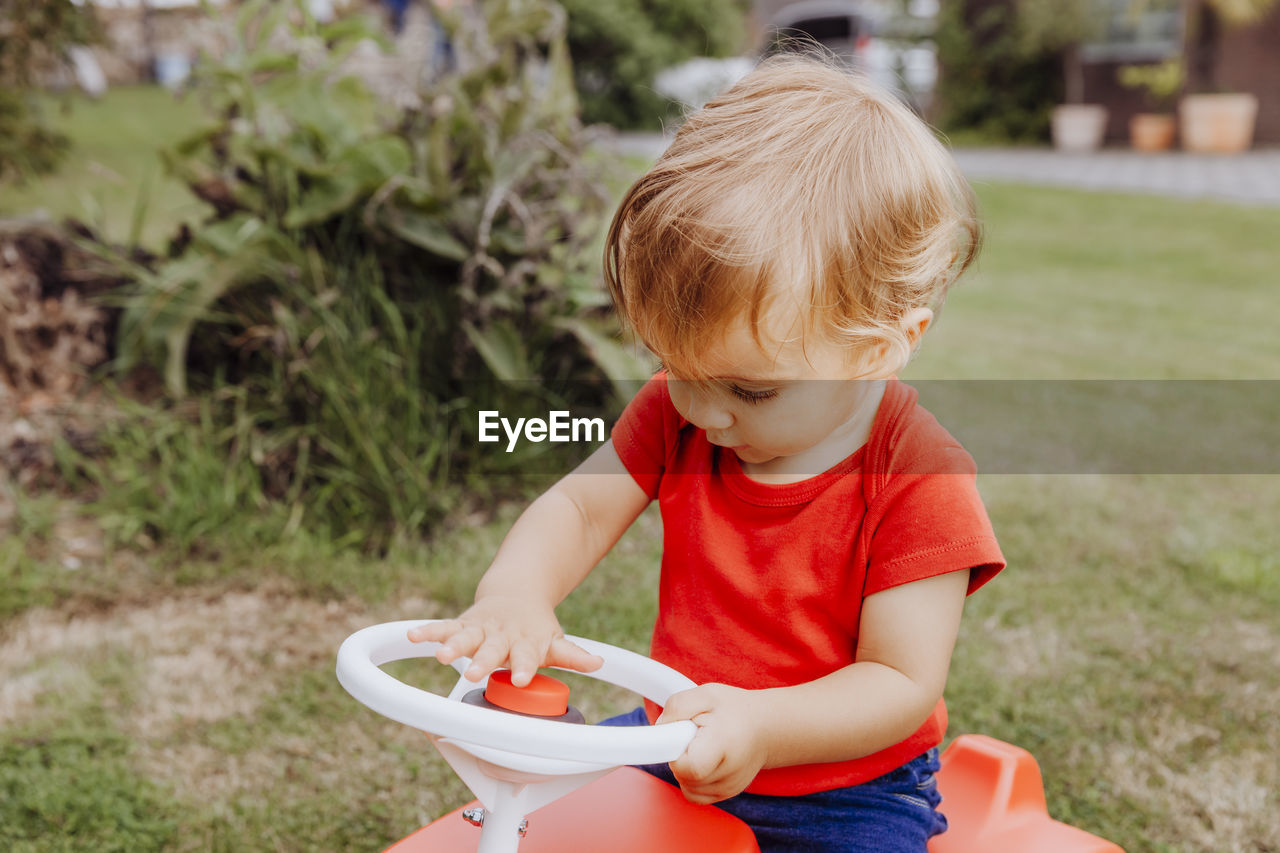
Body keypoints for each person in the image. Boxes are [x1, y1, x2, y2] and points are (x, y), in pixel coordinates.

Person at [409, 53, 1005, 853]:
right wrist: (516, 592)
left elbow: (900, 682)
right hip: (671, 740)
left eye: (749, 389)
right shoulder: (679, 410)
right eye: (672, 364)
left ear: (885, 347)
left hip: (844, 787)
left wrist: (763, 722)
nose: (698, 408)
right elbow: (581, 508)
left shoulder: (918, 475)